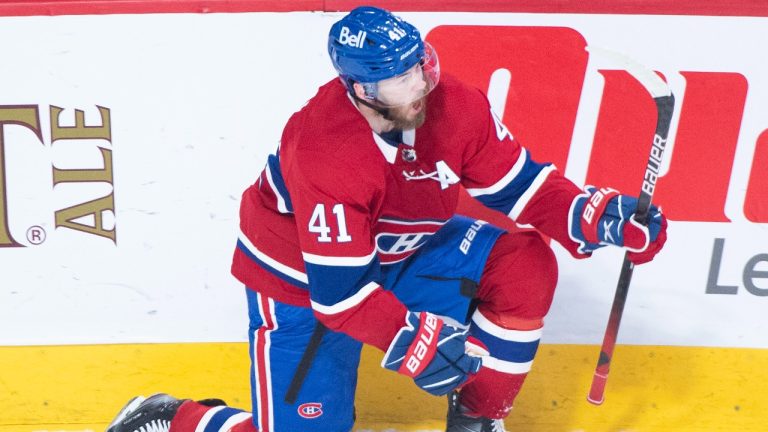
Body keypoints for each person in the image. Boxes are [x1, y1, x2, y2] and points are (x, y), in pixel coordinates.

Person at [106, 6, 667, 432]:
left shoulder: (457, 105)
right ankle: (176, 416)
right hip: (303, 282)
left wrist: (592, 216)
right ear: (361, 90)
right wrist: (412, 343)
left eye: (420, 68)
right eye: (401, 82)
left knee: (522, 265)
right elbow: (342, 295)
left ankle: (477, 419)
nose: (421, 86)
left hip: (404, 250)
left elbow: (521, 187)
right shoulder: (325, 151)